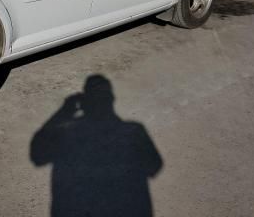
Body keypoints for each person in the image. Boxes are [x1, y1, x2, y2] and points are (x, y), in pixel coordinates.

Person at [31, 75, 163, 216]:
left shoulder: (68, 133)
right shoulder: (134, 131)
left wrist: (64, 111)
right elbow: (154, 166)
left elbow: (38, 156)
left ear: (85, 103)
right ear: (112, 99)